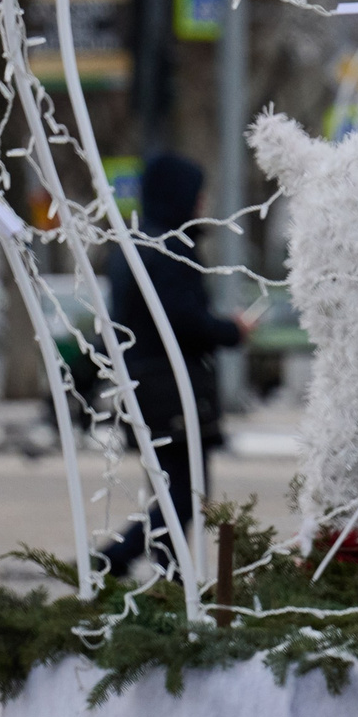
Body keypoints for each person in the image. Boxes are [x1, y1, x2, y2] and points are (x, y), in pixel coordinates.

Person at [97, 152, 247, 579]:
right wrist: (232, 330)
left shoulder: (135, 245)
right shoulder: (167, 249)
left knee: (172, 492)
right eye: (197, 194)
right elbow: (182, 321)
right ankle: (115, 563)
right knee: (184, 494)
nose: (202, 203)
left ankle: (169, 579)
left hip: (146, 385)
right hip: (171, 389)